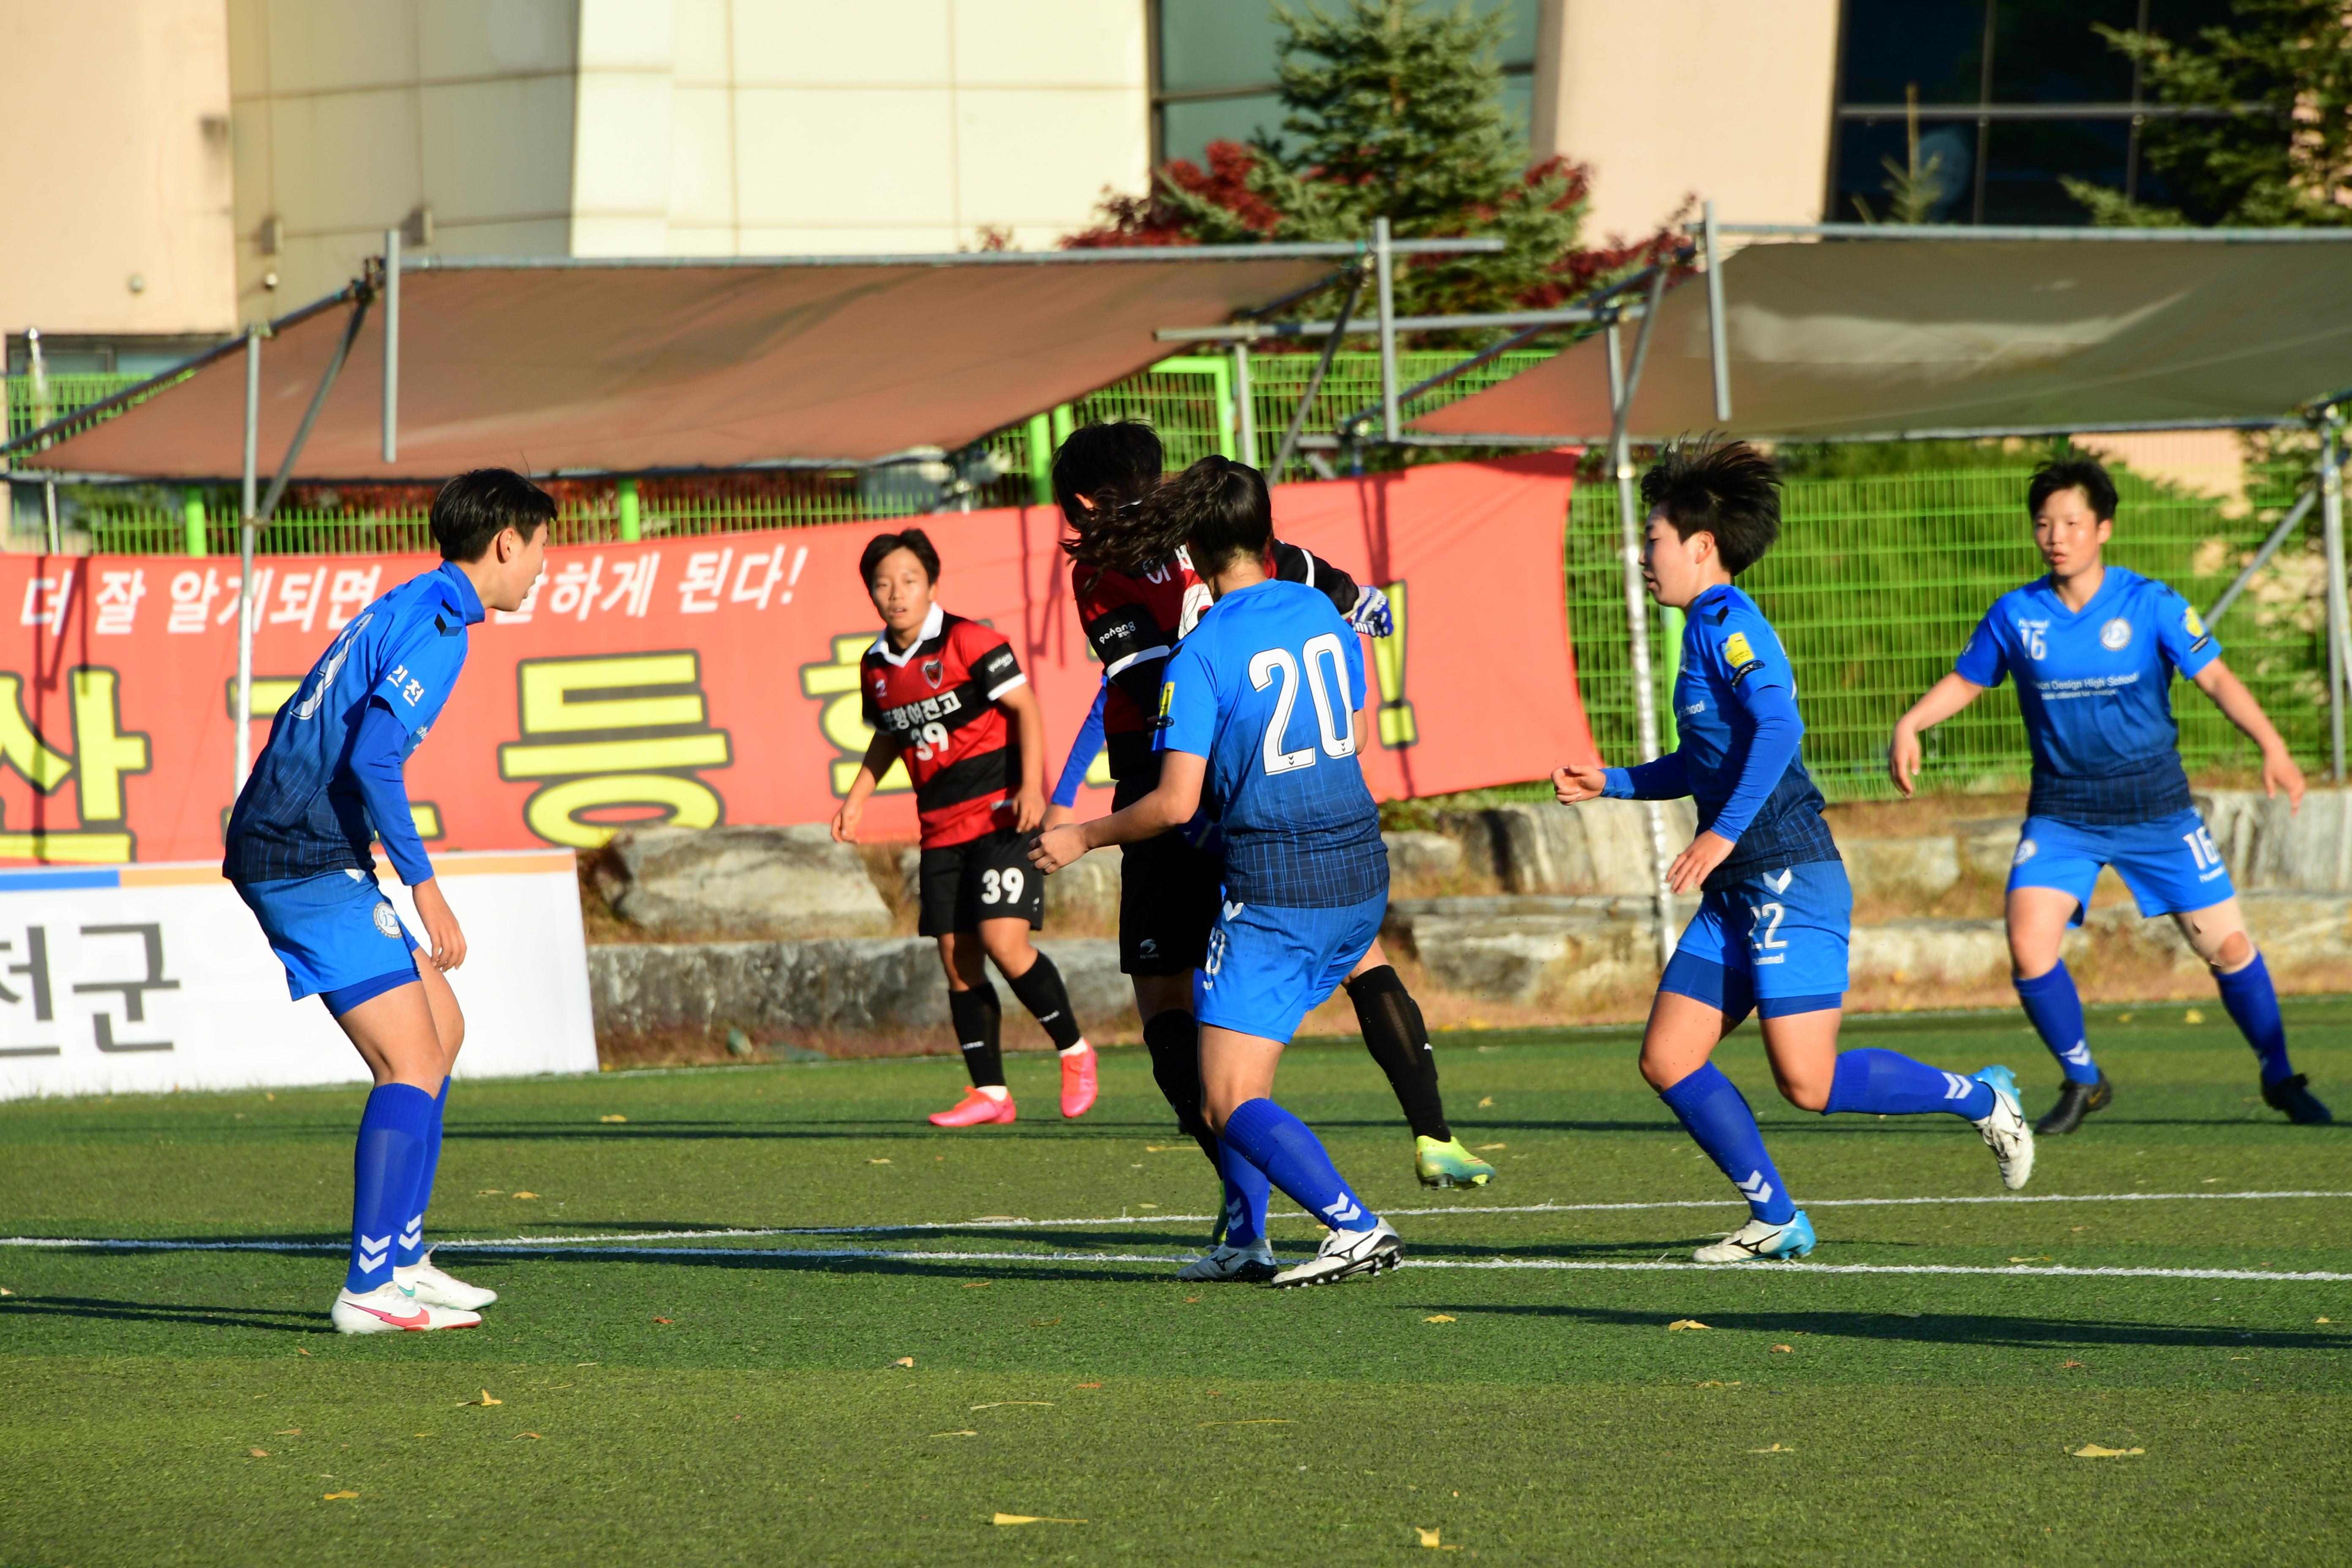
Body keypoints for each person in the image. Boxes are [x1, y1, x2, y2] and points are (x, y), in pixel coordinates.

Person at [1553, 440, 2036, 1264]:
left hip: (1787, 870)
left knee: (1807, 1083)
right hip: (1739, 883)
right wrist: (1617, 782)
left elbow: (1781, 728)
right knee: (1669, 1057)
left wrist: (1721, 832)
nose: (1645, 557)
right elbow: (1707, 759)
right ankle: (1775, 1216)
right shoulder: (1699, 631)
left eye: (1656, 539)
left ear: (1701, 547)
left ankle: (1985, 1097)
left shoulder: (1731, 624)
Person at [1050, 422, 1494, 1250]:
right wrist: (1366, 604)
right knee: (1355, 955)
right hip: (1297, 801)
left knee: (1176, 1015)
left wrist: (1079, 828)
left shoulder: (1106, 571)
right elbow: (1341, 594)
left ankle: (1255, 1222)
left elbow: (1155, 697)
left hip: (1177, 792)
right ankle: (1430, 1129)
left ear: (1079, 501)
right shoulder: (1264, 564)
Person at [1891, 456, 2330, 1131]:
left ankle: (2279, 1074)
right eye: (2044, 524)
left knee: (2228, 948)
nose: (2056, 536)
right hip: (2065, 812)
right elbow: (1970, 679)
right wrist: (1914, 720)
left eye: (2071, 522)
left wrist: (2273, 746)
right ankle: (2083, 1079)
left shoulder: (2149, 602)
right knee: (2029, 945)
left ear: (2103, 529)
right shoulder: (2017, 614)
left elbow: (2217, 679)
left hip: (2157, 809)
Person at [225, 467, 547, 1333]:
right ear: (506, 543)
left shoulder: (419, 601)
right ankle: (370, 1286)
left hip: (311, 839)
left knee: (443, 1033)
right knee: (410, 1057)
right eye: (541, 547)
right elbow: (373, 759)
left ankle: (404, 1258)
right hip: (298, 853)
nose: (543, 567)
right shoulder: (441, 628)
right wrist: (427, 888)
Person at [831, 528, 1097, 1126]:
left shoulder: (970, 640)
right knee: (957, 961)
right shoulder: (875, 665)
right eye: (883, 583)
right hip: (940, 830)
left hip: (1002, 815)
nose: (895, 593)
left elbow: (1025, 706)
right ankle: (992, 1094)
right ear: (871, 594)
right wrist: (857, 799)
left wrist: (1033, 787)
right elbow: (889, 736)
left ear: (931, 585)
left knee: (1004, 943)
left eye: (908, 580)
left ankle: (1076, 1053)